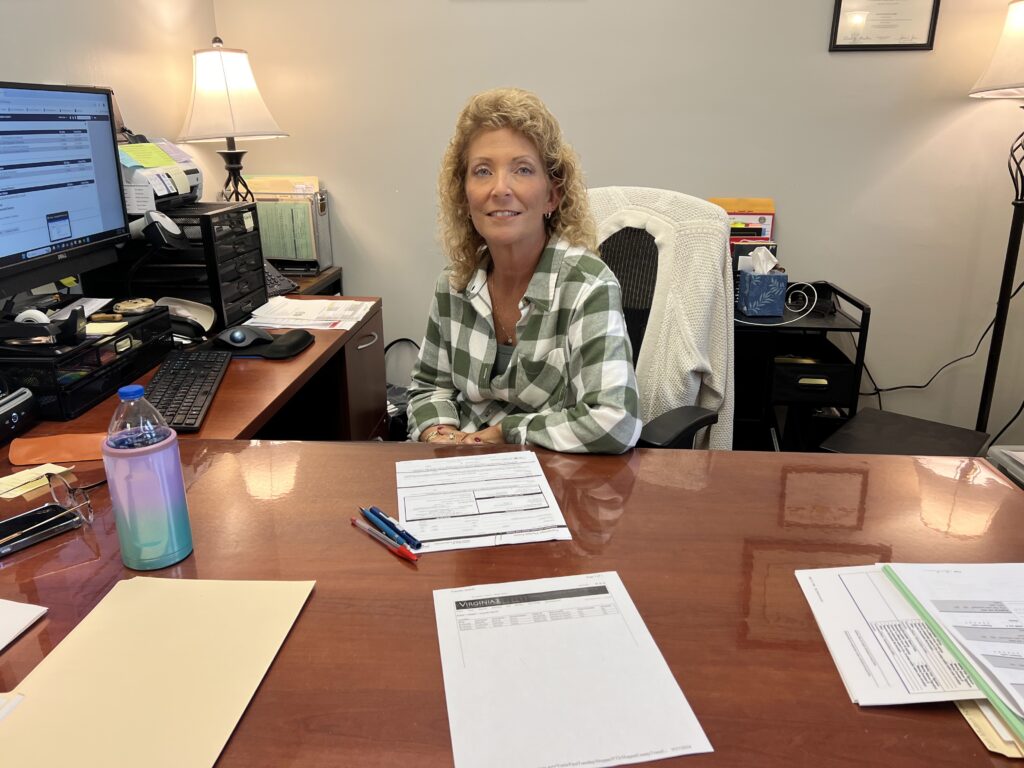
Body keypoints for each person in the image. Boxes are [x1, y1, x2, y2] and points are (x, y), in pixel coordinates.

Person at [407, 87, 641, 454]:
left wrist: (508, 432)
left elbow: (614, 420)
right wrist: (439, 430)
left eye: (523, 170)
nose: (500, 189)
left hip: (556, 475)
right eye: (482, 171)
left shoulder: (587, 286)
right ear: (464, 194)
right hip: (463, 467)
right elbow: (429, 387)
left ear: (552, 194)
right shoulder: (454, 284)